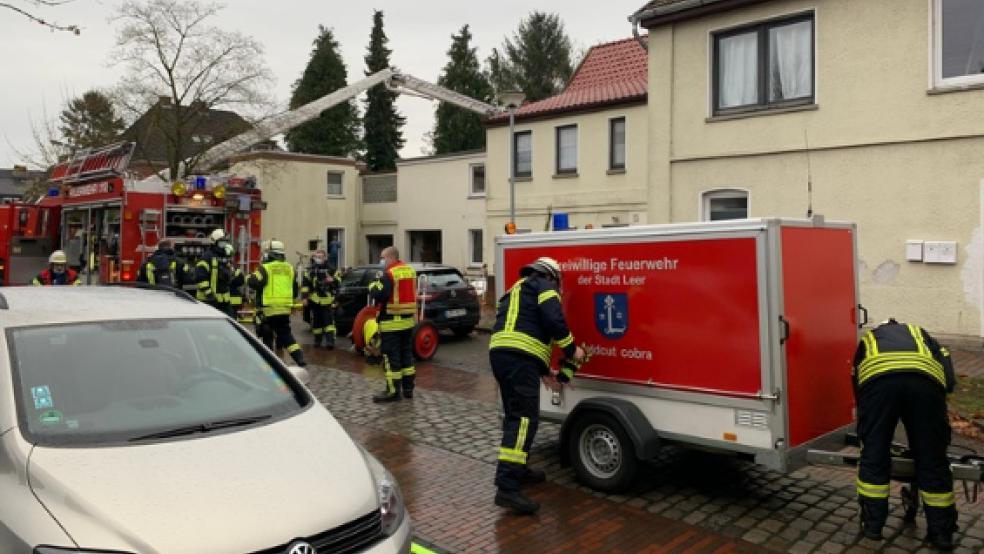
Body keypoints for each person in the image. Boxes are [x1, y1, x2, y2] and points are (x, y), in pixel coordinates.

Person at [489, 256, 585, 515]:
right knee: (523, 420)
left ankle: (518, 469)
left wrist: (542, 370)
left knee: (515, 416)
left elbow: (523, 328)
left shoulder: (517, 288)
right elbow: (553, 320)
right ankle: (507, 487)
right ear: (551, 275)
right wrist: (572, 350)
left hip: (503, 356)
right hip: (519, 359)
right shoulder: (545, 286)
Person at [853, 318, 957, 550]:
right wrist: (939, 398)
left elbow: (856, 378)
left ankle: (873, 526)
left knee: (874, 453)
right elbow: (947, 367)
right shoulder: (921, 333)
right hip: (924, 384)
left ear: (882, 329)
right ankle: (941, 534)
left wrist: (868, 419)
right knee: (932, 457)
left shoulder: (870, 339)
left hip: (879, 385)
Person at [247, 240, 306, 367]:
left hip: (268, 309)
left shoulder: (266, 268)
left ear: (270, 254)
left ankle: (269, 364)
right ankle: (299, 358)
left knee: (267, 334)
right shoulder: (290, 268)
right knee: (286, 335)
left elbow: (254, 282)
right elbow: (295, 288)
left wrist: (248, 277)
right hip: (284, 308)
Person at [369, 246, 417, 403]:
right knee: (406, 356)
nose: (381, 261)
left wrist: (373, 285)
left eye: (382, 258)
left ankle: (393, 391)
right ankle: (408, 389)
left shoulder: (389, 274)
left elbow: (380, 295)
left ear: (390, 257)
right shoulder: (410, 271)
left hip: (391, 324)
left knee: (391, 358)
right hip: (407, 322)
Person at [302, 249, 340, 349]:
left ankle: (330, 342)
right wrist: (305, 298)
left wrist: (332, 280)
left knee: (328, 323)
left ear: (325, 258)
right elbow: (305, 284)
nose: (318, 259)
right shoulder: (310, 270)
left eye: (320, 257)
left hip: (327, 301)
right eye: (316, 257)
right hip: (315, 301)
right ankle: (317, 341)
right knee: (316, 323)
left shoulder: (331, 269)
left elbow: (339, 282)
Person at [194, 229, 233, 314]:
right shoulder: (206, 257)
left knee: (230, 320)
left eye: (226, 242)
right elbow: (200, 278)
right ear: (214, 242)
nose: (224, 244)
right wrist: (209, 293)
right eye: (222, 242)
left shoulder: (224, 257)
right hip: (208, 301)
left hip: (224, 301)